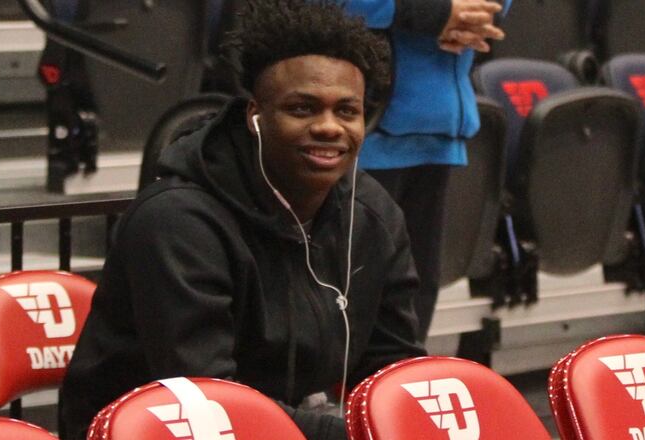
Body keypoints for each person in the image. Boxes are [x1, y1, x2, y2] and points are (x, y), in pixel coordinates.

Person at [58, 1, 424, 439]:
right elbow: (208, 399)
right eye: (303, 108)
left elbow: (396, 367)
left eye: (347, 111)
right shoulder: (176, 223)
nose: (330, 127)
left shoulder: (372, 214)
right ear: (255, 117)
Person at [341, 0, 510, 341]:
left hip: (438, 123)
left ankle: (400, 393)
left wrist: (468, 15)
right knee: (356, 303)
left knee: (413, 306)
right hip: (368, 128)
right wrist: (435, 13)